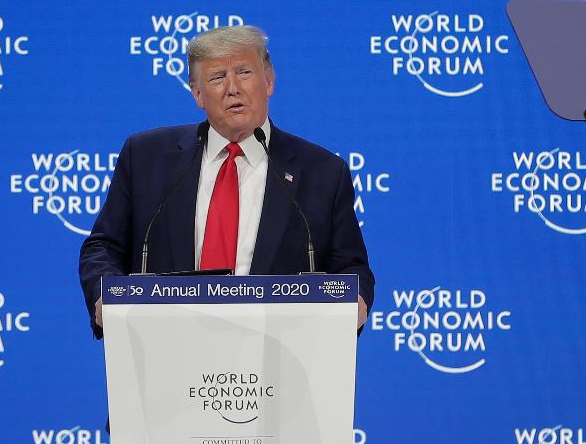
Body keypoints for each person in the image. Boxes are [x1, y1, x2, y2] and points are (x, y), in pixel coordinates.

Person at [78, 25, 374, 337]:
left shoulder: (323, 172)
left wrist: (355, 300)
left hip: (279, 356)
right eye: (217, 77)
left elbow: (350, 268)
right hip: (165, 347)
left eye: (244, 72)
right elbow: (104, 247)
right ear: (197, 95)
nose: (232, 87)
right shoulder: (146, 157)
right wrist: (105, 296)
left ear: (269, 81)